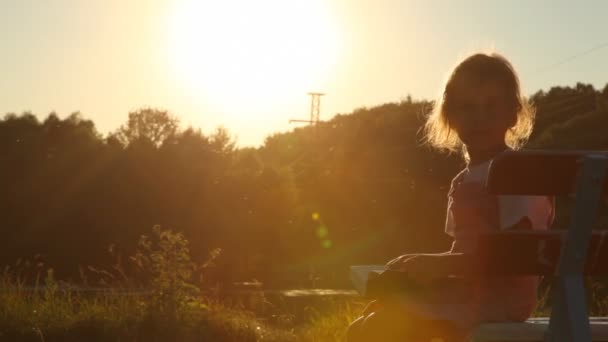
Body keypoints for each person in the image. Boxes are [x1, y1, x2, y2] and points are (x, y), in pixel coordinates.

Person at [346, 52, 555, 342]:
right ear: (451, 116)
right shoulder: (464, 180)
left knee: (379, 328)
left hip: (498, 301)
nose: (479, 117)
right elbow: (465, 251)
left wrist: (440, 265)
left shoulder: (513, 174)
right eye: (468, 107)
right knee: (371, 318)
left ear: (512, 114)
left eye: (490, 107)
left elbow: (516, 254)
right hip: (469, 292)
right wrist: (424, 264)